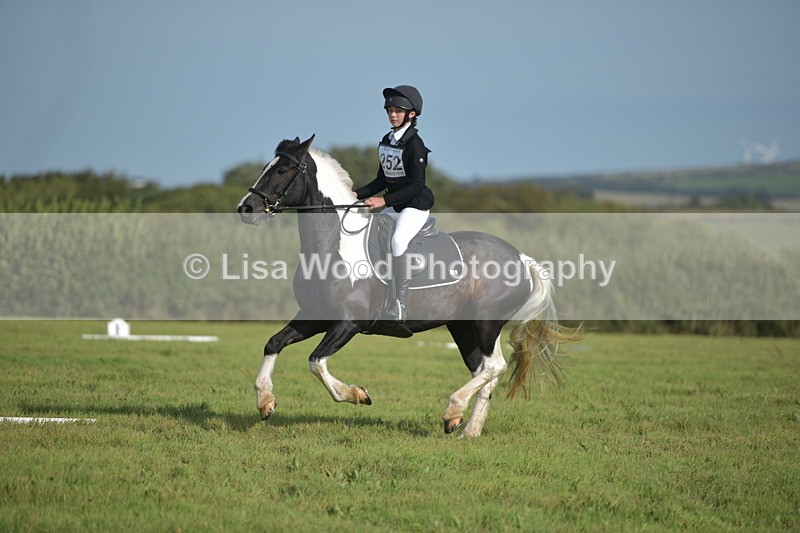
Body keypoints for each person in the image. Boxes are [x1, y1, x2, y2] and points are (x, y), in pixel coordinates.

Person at [355, 85, 434, 327]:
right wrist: (354, 194)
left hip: (414, 206)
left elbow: (417, 186)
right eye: (390, 110)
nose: (392, 114)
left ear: (412, 115)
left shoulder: (415, 145)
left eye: (398, 111)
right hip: (395, 205)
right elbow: (382, 180)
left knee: (398, 241)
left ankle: (400, 303)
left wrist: (383, 201)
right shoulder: (388, 140)